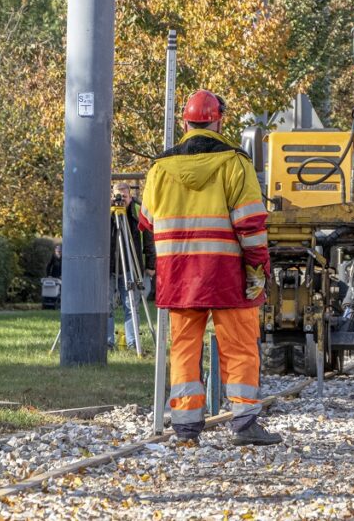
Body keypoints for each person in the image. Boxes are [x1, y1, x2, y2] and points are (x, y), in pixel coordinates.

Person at [139, 89, 280, 446]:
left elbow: (148, 221)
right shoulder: (235, 163)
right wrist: (257, 270)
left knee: (185, 348)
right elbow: (250, 225)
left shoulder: (159, 168)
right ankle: (245, 423)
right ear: (219, 120)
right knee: (239, 347)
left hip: (179, 275)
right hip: (226, 273)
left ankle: (186, 427)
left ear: (185, 123)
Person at [108, 182, 156, 351]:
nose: (120, 200)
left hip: (130, 266)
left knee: (132, 306)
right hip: (110, 267)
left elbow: (150, 238)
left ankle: (133, 342)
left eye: (124, 196)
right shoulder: (106, 211)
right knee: (107, 305)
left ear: (130, 196)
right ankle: (108, 343)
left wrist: (151, 264)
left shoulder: (138, 211)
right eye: (117, 196)